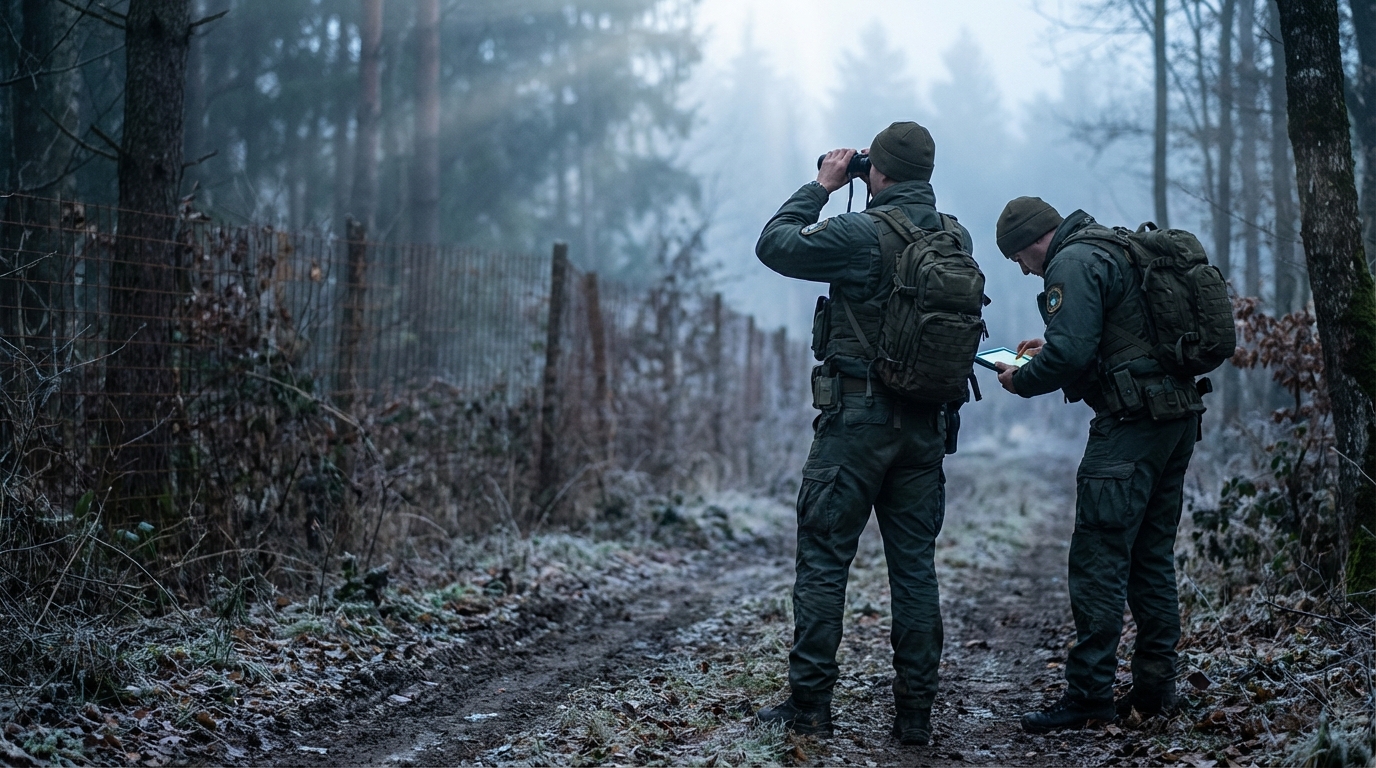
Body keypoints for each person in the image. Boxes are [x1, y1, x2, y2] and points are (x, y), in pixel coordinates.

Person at [753, 121, 973, 746]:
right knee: (914, 569)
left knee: (825, 559)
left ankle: (810, 707)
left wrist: (821, 185)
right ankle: (914, 717)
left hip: (855, 425)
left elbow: (775, 245)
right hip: (926, 428)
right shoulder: (953, 237)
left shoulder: (859, 232)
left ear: (878, 172)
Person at [992, 197, 1203, 733]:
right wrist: (1054, 343)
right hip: (1175, 417)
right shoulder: (1113, 245)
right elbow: (1121, 329)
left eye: (1019, 257)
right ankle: (1156, 689)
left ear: (1034, 240)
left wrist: (1023, 378)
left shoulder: (1070, 262)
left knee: (1099, 559)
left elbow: (1071, 357)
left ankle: (1088, 694)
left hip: (1129, 426)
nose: (1022, 269)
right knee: (1151, 557)